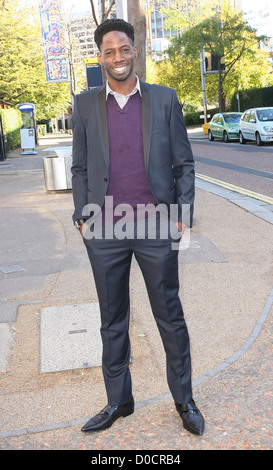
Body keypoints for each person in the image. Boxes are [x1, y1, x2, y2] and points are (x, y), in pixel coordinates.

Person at [71, 18, 204, 436]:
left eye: (124, 49)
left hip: (155, 227)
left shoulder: (164, 100)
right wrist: (82, 216)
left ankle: (184, 400)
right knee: (112, 320)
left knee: (170, 316)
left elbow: (184, 162)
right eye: (109, 51)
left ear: (134, 50)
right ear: (100, 57)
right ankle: (118, 401)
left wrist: (182, 214)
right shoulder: (85, 104)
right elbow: (78, 167)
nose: (118, 57)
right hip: (104, 232)